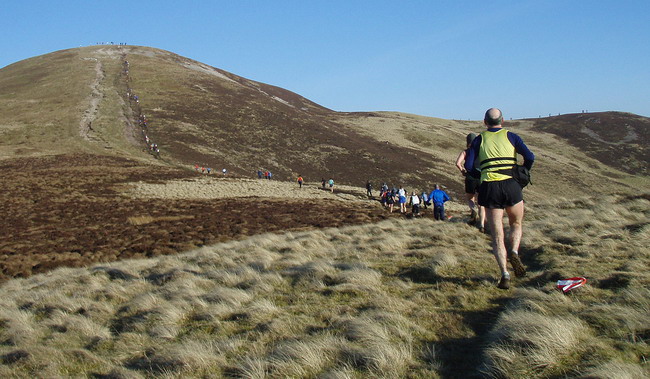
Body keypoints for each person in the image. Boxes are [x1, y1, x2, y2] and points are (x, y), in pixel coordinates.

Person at [465, 108, 535, 290]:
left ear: (484, 121)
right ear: (502, 121)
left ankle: (504, 273)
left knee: (497, 233)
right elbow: (529, 156)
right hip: (511, 184)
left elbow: (468, 166)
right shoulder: (511, 136)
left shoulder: (479, 139)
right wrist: (523, 171)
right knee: (516, 223)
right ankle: (514, 250)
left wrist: (479, 175)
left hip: (489, 187)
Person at [455, 133, 486, 232]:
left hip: (470, 177)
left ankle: (473, 210)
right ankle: (481, 225)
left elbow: (457, 163)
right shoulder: (481, 151)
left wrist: (463, 171)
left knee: (470, 198)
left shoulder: (466, 152)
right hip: (481, 177)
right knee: (482, 203)